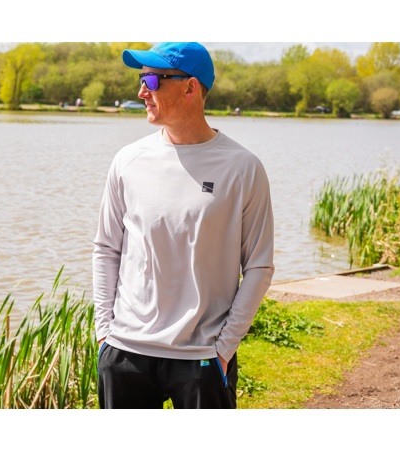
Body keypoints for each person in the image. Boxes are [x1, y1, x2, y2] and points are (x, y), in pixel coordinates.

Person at [92, 42, 274, 409]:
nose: (142, 92)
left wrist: (224, 347)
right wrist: (104, 332)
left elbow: (258, 266)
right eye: (142, 80)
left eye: (153, 81)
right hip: (126, 351)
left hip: (202, 358)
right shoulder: (128, 160)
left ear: (190, 87)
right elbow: (106, 248)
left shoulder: (243, 167)